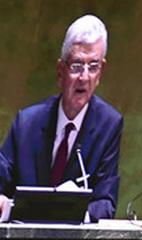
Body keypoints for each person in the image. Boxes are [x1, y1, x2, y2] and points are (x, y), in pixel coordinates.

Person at [0, 15, 123, 223]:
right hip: (23, 239)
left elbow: (105, 202)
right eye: (76, 66)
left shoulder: (109, 124)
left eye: (93, 66)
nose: (84, 77)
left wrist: (69, 214)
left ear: (101, 72)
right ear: (60, 71)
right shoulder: (26, 123)